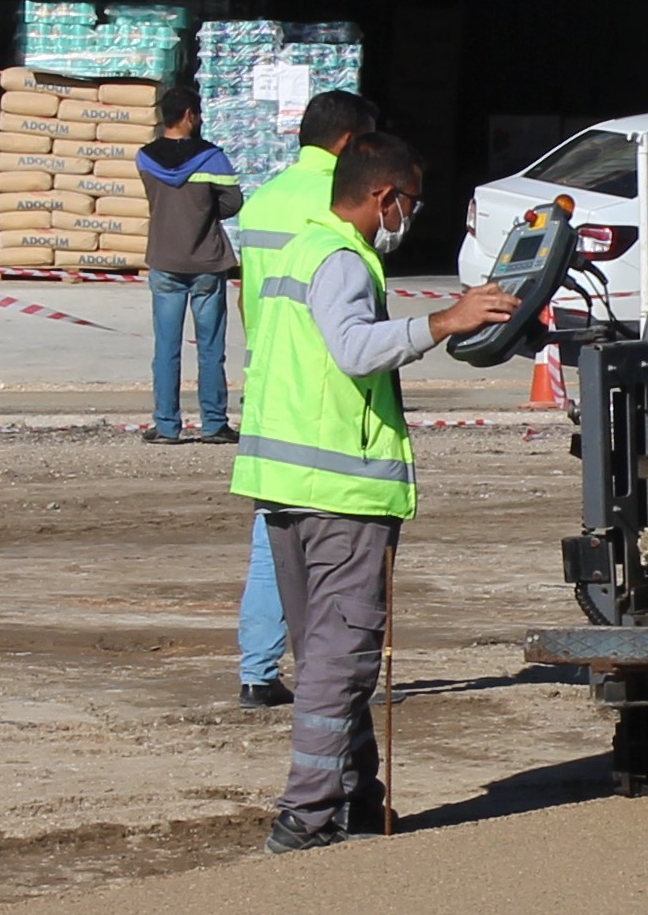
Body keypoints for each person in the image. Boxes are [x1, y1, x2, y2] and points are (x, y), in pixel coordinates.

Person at [230, 132, 515, 851]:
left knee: (324, 651)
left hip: (287, 485)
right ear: (384, 196)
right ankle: (309, 814)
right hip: (342, 493)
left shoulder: (298, 248)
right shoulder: (343, 261)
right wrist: (444, 323)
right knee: (342, 658)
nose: (410, 218)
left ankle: (355, 802)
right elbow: (355, 350)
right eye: (411, 204)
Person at [228, 90, 382, 709]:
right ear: (349, 143)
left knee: (274, 531)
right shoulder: (337, 207)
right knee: (332, 546)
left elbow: (247, 295)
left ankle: (258, 668)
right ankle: (325, 675)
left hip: (268, 378)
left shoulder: (263, 198)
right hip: (322, 390)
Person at [136, 91, 245, 445]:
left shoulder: (144, 158)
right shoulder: (212, 158)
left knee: (166, 347)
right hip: (207, 262)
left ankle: (167, 425)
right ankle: (214, 423)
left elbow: (155, 198)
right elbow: (233, 201)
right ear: (187, 115)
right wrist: (204, 211)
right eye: (196, 113)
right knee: (210, 347)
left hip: (164, 260)